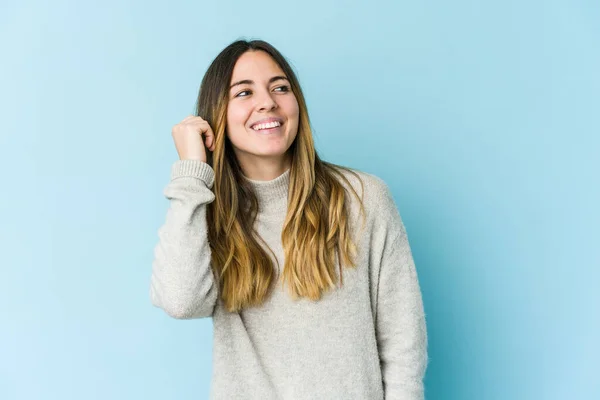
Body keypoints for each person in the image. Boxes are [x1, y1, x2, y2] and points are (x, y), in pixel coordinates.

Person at [149, 39, 428, 400]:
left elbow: (403, 340)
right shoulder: (205, 214)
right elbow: (181, 301)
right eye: (243, 92)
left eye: (280, 87)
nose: (267, 101)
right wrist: (191, 173)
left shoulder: (363, 198)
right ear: (215, 115)